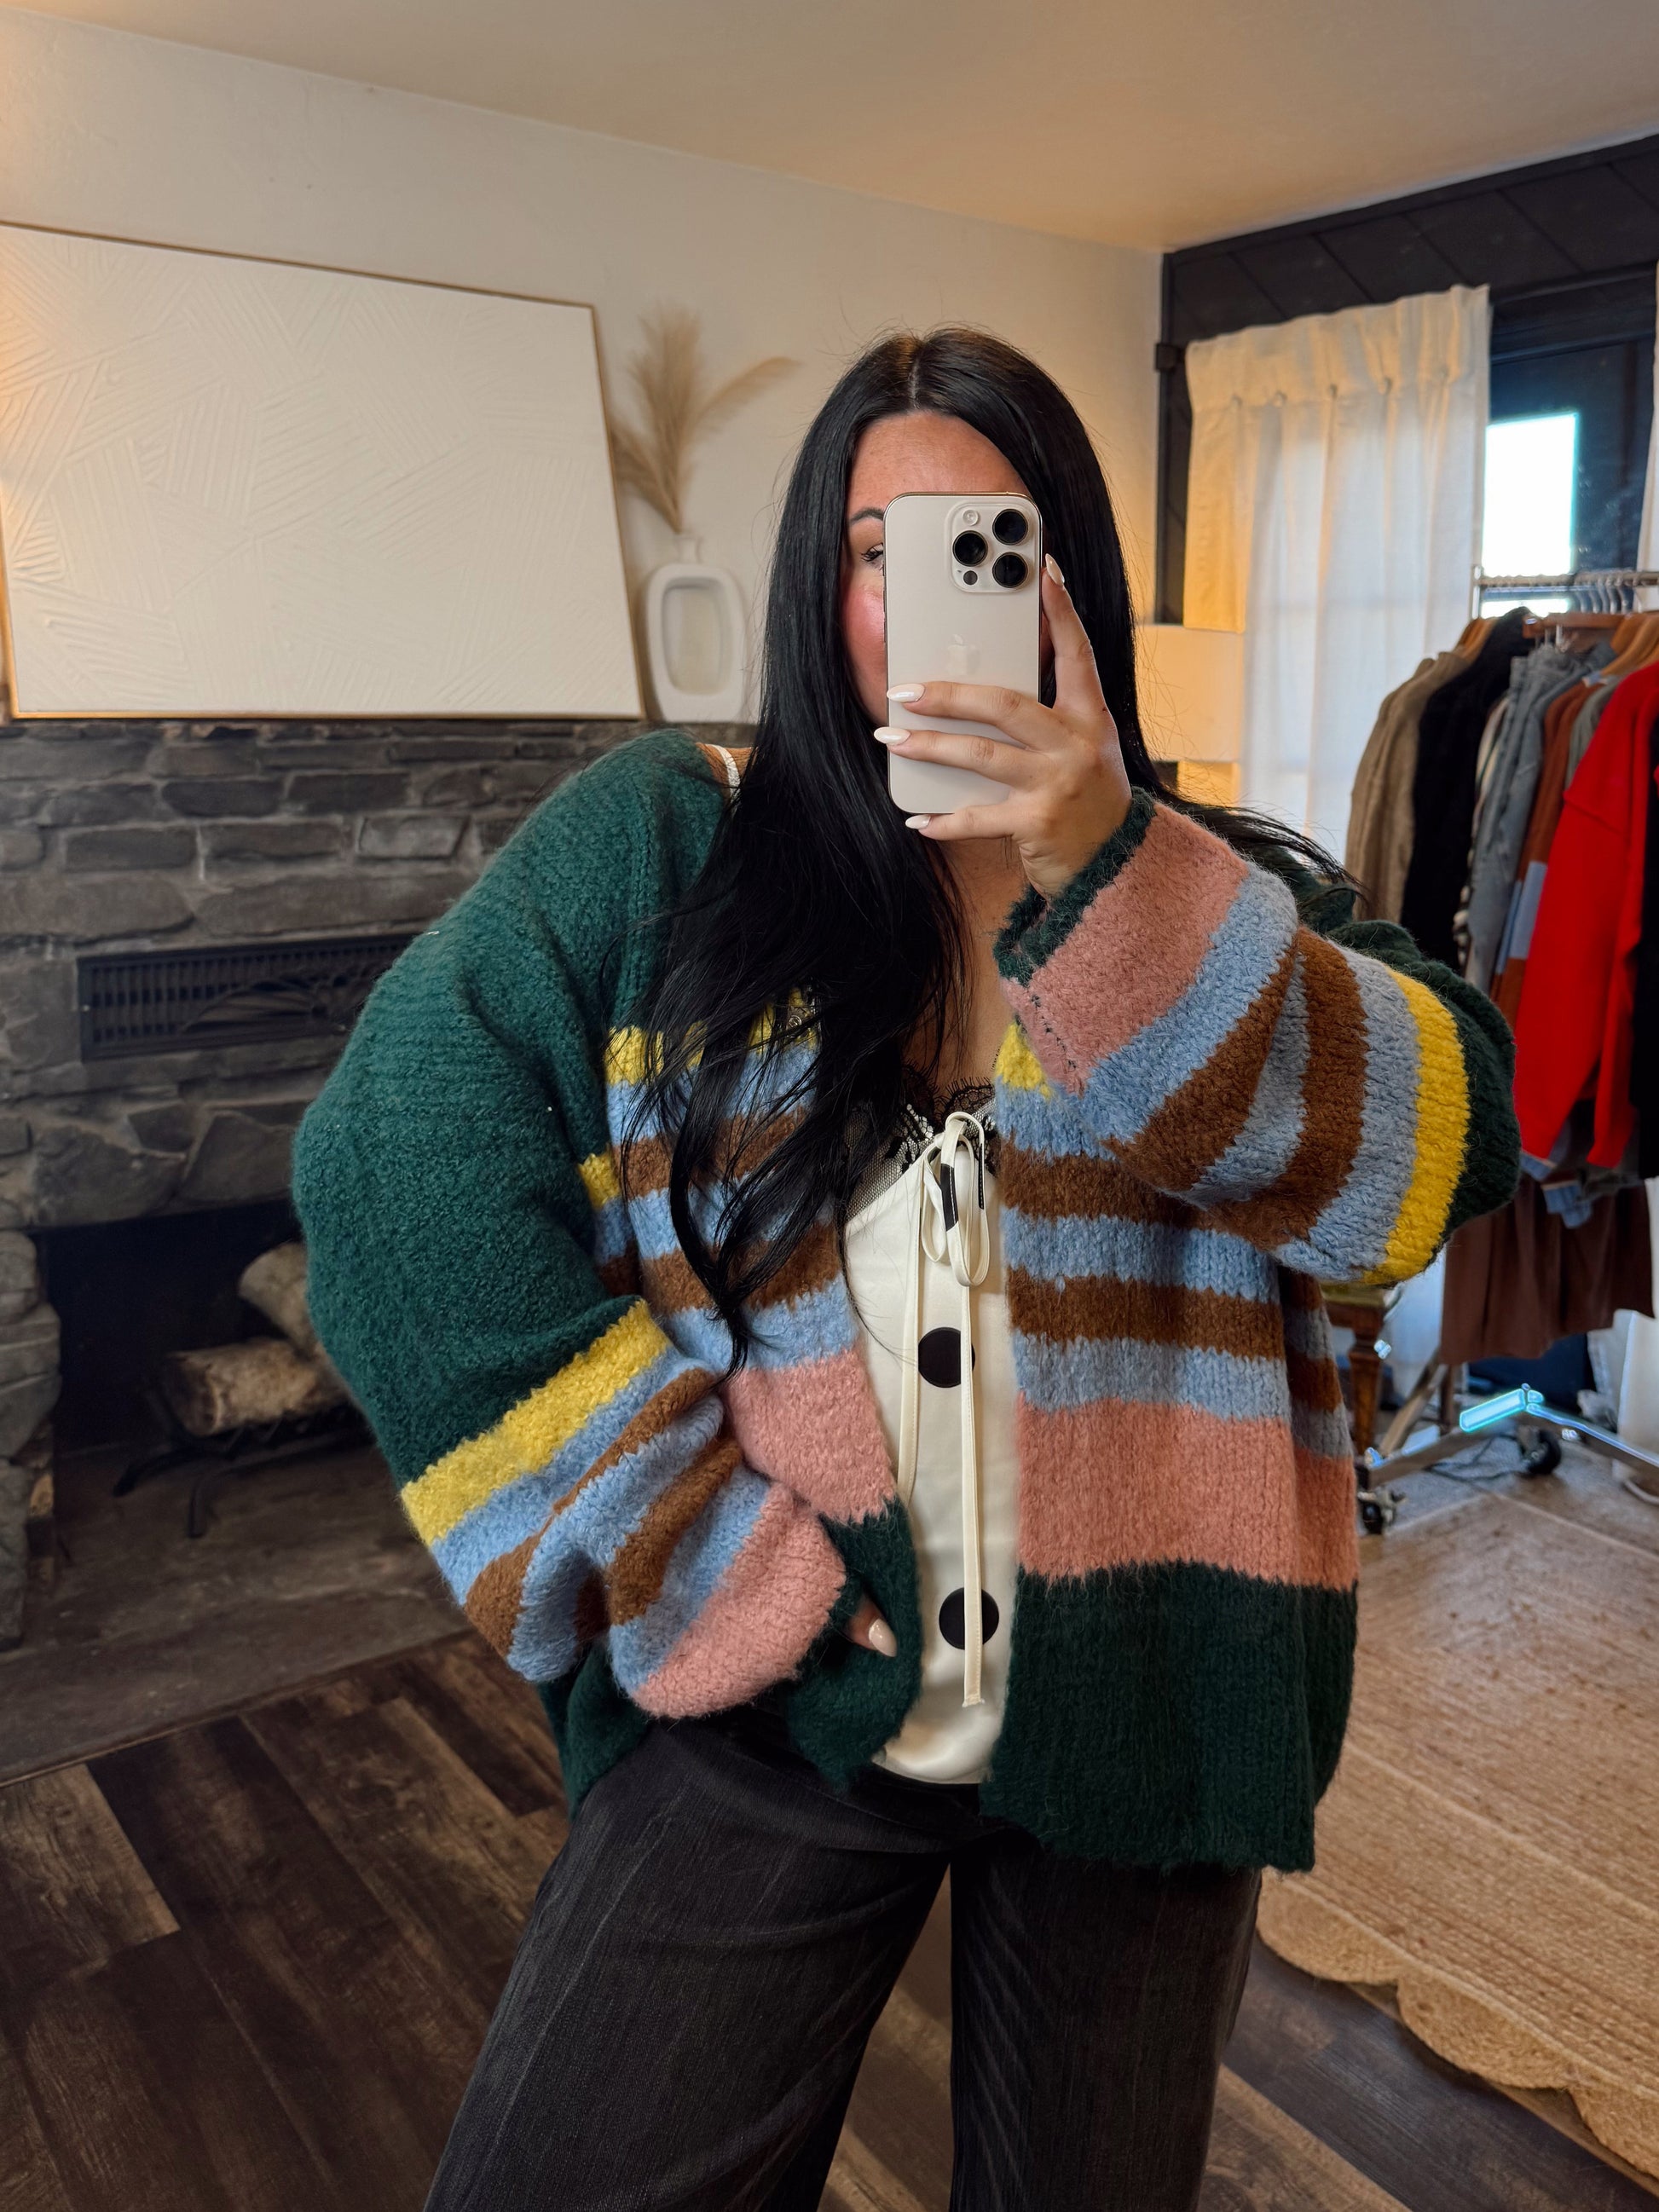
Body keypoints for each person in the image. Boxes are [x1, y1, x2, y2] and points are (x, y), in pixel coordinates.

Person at [292, 327, 1519, 2210]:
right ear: (822, 585)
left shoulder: (1227, 892)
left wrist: (1108, 864)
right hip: (772, 1688)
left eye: (989, 545)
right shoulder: (671, 845)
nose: (928, 597)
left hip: (1146, 1704)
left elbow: (1436, 1162)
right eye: (881, 550)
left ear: (1069, 587)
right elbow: (387, 1159)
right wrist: (690, 1550)